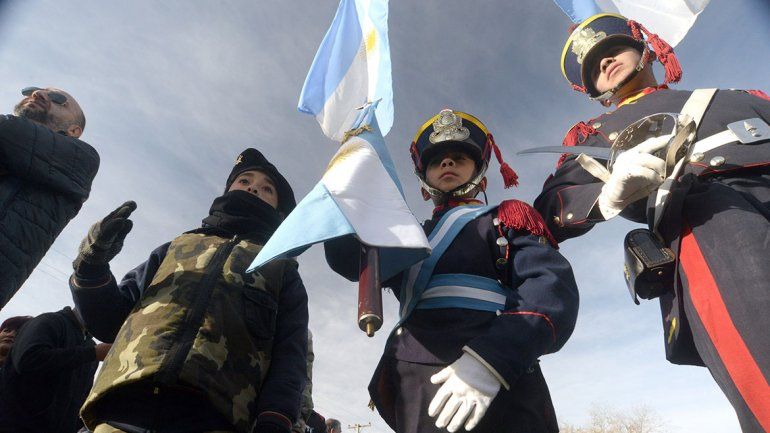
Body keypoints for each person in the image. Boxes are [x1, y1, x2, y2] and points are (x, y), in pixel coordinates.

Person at [534, 13, 770, 432]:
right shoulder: (595, 137)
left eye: (611, 49)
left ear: (646, 48)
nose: (605, 63)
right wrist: (606, 197)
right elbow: (550, 209)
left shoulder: (732, 96)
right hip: (711, 222)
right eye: (593, 67)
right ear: (592, 90)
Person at [326, 109, 579, 433]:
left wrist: (493, 360)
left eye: (458, 157)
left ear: (481, 178)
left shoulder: (506, 220)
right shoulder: (403, 238)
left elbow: (552, 289)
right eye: (437, 161)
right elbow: (350, 261)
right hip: (418, 381)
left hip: (500, 377)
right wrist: (348, 188)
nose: (447, 163)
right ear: (423, 186)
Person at [70, 148, 309, 433]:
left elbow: (290, 356)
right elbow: (109, 324)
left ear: (278, 211)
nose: (254, 186)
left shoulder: (280, 269)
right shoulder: (176, 247)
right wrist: (92, 265)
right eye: (244, 180)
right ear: (229, 188)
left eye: (267, 188)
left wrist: (275, 420)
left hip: (213, 418)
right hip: (123, 406)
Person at [0, 87, 99, 308]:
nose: (37, 94)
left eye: (57, 99)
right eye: (33, 91)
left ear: (74, 130)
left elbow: (9, 132)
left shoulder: (82, 159)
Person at [0, 307, 110, 433]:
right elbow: (29, 359)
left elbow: (81, 397)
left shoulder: (91, 348)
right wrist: (92, 353)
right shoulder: (50, 321)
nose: (12, 335)